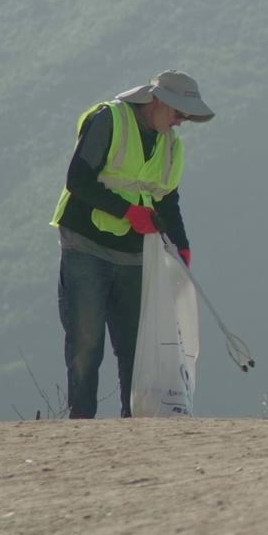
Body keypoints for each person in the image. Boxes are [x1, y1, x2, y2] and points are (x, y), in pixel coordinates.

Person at [50, 70, 215, 418]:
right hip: (85, 245)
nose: (181, 122)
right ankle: (81, 423)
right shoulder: (109, 120)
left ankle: (133, 425)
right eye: (178, 113)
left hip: (136, 255)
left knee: (134, 349)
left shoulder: (171, 145)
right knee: (85, 344)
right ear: (158, 101)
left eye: (185, 116)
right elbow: (78, 180)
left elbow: (167, 202)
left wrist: (181, 246)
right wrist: (129, 212)